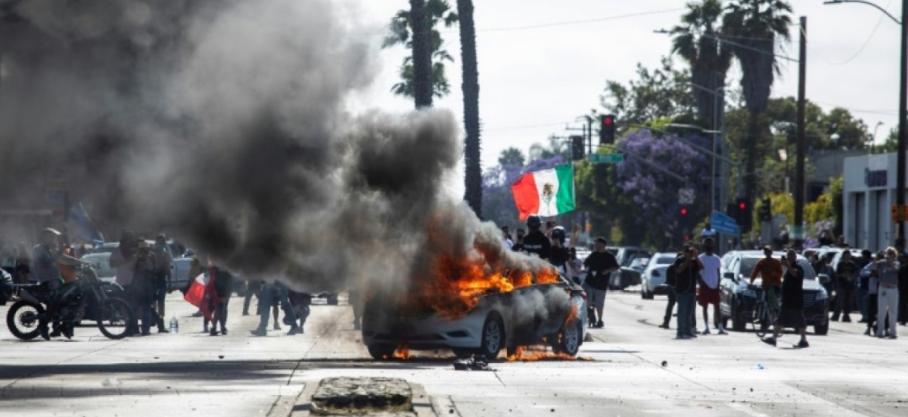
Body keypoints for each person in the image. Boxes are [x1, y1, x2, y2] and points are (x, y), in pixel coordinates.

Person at [765, 249, 809, 348]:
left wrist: (787, 265)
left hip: (796, 299)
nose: (789, 258)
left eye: (791, 256)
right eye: (788, 256)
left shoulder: (798, 268)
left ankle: (803, 340)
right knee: (781, 319)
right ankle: (774, 338)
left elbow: (795, 274)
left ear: (795, 257)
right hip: (787, 299)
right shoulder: (788, 269)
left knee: (800, 321)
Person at [750, 246, 784, 344]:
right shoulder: (762, 262)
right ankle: (764, 320)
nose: (767, 253)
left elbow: (780, 273)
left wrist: (775, 274)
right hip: (765, 286)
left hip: (775, 286)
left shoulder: (776, 262)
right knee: (765, 302)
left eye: (769, 251)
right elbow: (755, 272)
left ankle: (775, 317)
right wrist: (751, 282)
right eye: (766, 252)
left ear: (771, 252)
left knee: (772, 304)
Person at [582, 237, 619, 328]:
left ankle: (600, 320)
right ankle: (590, 313)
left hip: (601, 284)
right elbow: (585, 263)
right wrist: (585, 268)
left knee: (599, 303)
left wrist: (607, 270)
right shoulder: (593, 255)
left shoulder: (609, 256)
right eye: (596, 244)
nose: (596, 246)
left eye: (598, 244)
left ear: (603, 245)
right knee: (586, 300)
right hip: (589, 282)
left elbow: (616, 267)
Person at [697, 239, 725, 335]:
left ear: (713, 246)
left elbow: (718, 272)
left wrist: (718, 284)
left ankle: (720, 328)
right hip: (705, 285)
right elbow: (698, 274)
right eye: (707, 244)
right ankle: (706, 327)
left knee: (717, 307)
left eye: (711, 244)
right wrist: (701, 283)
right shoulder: (701, 258)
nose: (709, 246)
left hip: (715, 286)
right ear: (704, 246)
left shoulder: (717, 258)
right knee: (705, 307)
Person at [674, 245, 701, 339]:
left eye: (691, 252)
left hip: (691, 290)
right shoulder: (679, 260)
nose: (690, 254)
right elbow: (679, 270)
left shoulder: (694, 261)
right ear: (684, 252)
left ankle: (688, 331)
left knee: (690, 312)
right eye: (688, 252)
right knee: (681, 312)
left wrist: (696, 257)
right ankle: (680, 332)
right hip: (682, 290)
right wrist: (687, 261)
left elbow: (701, 267)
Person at [873, 247, 900, 339]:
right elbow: (871, 267)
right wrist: (877, 260)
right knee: (881, 311)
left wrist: (890, 262)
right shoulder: (881, 263)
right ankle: (880, 331)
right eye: (888, 254)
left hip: (893, 289)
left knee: (893, 311)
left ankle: (893, 332)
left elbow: (896, 269)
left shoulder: (897, 263)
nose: (890, 256)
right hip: (883, 288)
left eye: (892, 254)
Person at [151, 234, 173, 333]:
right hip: (153, 281)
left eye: (162, 242)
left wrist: (170, 282)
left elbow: (168, 270)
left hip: (160, 281)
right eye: (160, 242)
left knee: (160, 304)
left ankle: (160, 324)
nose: (160, 244)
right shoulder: (151, 254)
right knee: (154, 303)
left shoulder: (164, 254)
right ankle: (155, 322)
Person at [206, 261, 233, 336]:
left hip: (223, 286)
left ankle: (219, 327)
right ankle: (219, 327)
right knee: (220, 308)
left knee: (221, 308)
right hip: (219, 287)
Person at [833, 250, 859, 322]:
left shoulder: (852, 264)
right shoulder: (840, 264)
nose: (847, 257)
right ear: (843, 256)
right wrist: (843, 275)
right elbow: (837, 274)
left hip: (850, 285)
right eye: (846, 255)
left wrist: (851, 277)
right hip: (842, 285)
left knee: (849, 302)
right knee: (840, 301)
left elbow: (856, 273)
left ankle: (846, 316)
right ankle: (836, 316)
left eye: (848, 255)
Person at [660, 252, 682, 329]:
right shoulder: (671, 268)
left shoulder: (682, 268)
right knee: (671, 305)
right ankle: (666, 322)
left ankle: (680, 324)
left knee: (680, 306)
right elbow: (668, 280)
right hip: (673, 289)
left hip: (679, 289)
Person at [862, 253, 881, 336]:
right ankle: (869, 327)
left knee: (881, 311)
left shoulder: (883, 265)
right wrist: (870, 273)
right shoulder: (872, 265)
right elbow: (862, 272)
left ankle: (880, 327)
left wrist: (879, 274)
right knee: (871, 310)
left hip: (882, 291)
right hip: (873, 291)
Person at [857, 249, 874, 322]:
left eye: (863, 255)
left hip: (868, 285)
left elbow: (867, 273)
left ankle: (866, 317)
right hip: (862, 285)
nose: (862, 256)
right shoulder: (862, 263)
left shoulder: (870, 263)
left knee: (865, 302)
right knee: (860, 302)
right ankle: (864, 316)